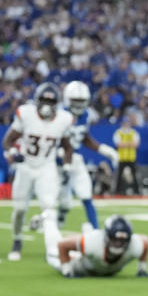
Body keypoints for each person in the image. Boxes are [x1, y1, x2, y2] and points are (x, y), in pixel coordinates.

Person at [2, 82, 74, 261]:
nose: (47, 106)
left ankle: (53, 249)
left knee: (50, 207)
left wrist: (66, 167)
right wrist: (12, 153)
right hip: (25, 165)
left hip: (46, 167)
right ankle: (17, 240)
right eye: (43, 101)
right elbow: (7, 140)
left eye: (51, 102)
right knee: (19, 209)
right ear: (36, 101)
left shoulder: (64, 119)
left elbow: (68, 148)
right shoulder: (26, 114)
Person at [56, 81, 119, 229]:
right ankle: (60, 215)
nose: (78, 105)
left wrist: (104, 150)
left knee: (86, 194)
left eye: (81, 101)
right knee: (65, 202)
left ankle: (95, 231)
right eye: (75, 101)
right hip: (58, 162)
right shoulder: (59, 114)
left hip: (76, 160)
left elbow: (84, 137)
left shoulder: (85, 115)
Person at [42, 213, 148, 278]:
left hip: (101, 267)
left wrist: (142, 269)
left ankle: (86, 229)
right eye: (114, 240)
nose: (118, 244)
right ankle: (47, 220)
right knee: (52, 253)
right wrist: (67, 271)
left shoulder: (135, 245)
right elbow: (62, 245)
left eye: (122, 241)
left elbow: (145, 242)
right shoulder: (93, 243)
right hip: (80, 265)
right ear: (107, 237)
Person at [113, 117, 141, 195]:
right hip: (122, 157)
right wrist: (130, 144)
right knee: (119, 176)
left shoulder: (134, 132)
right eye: (124, 123)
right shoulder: (118, 132)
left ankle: (137, 191)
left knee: (135, 175)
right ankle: (118, 191)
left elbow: (136, 144)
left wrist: (124, 144)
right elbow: (118, 144)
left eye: (127, 123)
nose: (126, 125)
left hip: (131, 157)